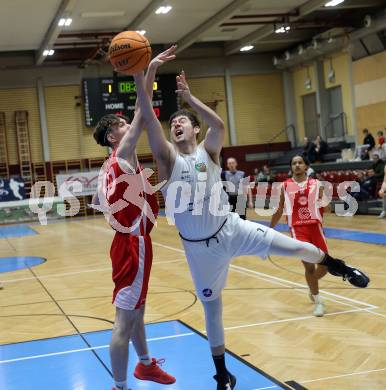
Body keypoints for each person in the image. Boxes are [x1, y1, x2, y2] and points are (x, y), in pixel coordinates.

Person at [133, 68, 369, 390]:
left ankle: (340, 267)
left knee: (297, 247)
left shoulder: (208, 151)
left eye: (182, 120)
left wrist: (190, 98)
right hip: (200, 250)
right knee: (212, 310)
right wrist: (141, 74)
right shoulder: (168, 159)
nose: (176, 124)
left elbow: (219, 125)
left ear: (195, 129)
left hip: (233, 229)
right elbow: (147, 117)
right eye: (172, 122)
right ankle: (222, 375)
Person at [91, 47, 177, 390]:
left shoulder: (107, 167)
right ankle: (120, 386)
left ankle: (144, 366)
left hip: (126, 243)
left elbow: (100, 200)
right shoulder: (122, 154)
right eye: (123, 126)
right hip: (133, 245)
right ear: (114, 137)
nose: (130, 125)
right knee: (124, 322)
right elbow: (143, 111)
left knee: (137, 310)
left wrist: (148, 70)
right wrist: (145, 68)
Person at [270, 155, 329, 317]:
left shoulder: (317, 184)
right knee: (309, 266)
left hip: (316, 227)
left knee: (325, 266)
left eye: (300, 163)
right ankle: (318, 301)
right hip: (298, 230)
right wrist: (270, 228)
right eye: (293, 163)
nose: (297, 165)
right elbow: (280, 209)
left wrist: (322, 200)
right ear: (291, 167)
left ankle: (312, 285)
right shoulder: (285, 185)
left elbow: (327, 207)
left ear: (306, 166)